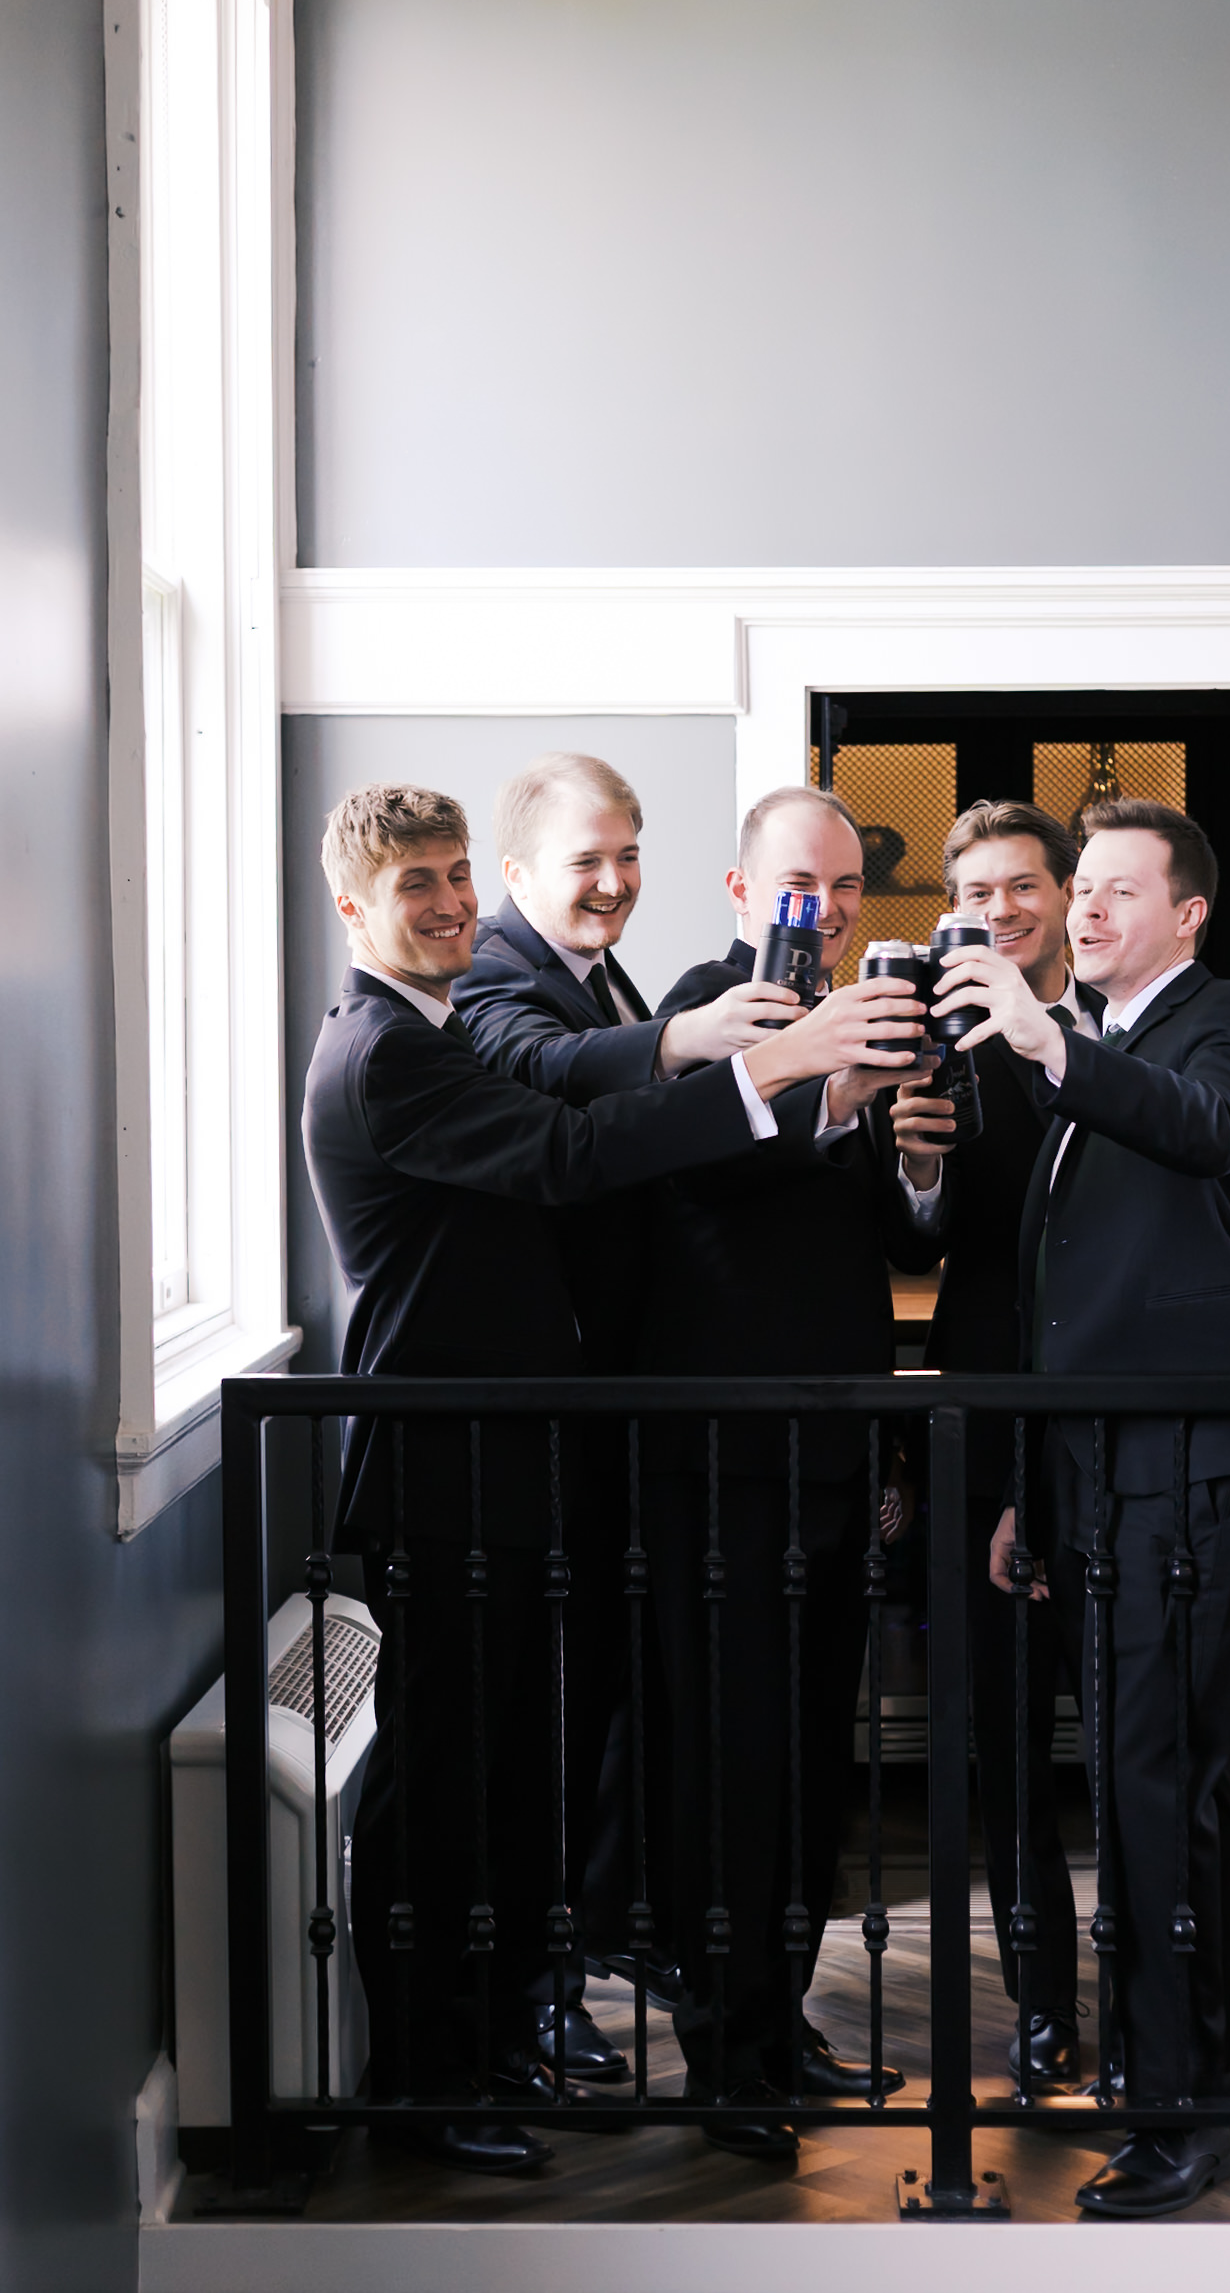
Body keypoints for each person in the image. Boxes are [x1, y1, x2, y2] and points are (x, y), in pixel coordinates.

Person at [302, 782, 921, 2177]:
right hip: (446, 1471)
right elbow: (575, 1154)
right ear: (354, 910)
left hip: (525, 1466)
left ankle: (493, 2047)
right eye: (422, 886)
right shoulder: (385, 1051)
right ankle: (420, 2082)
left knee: (516, 1783)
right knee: (443, 1794)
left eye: (458, 875)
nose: (454, 902)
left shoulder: (447, 1026)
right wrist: (765, 1072)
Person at [929, 797, 1230, 2220]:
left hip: (1197, 1459)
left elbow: (1213, 1137)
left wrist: (1048, 1046)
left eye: (1111, 891)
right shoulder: (1093, 1051)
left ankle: (1177, 2110)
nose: (1082, 911)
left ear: (1188, 912)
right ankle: (1173, 2070)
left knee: (1165, 1788)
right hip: (1095, 1467)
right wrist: (1033, 1486)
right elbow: (1051, 1300)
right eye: (1076, 891)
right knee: (1145, 1785)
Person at [456, 750, 791, 2052]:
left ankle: (592, 1947)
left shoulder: (602, 972)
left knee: (597, 1710)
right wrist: (688, 1043)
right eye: (585, 860)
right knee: (538, 1725)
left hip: (608, 1408)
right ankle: (533, 1994)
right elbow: (533, 1068)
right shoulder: (495, 972)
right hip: (528, 1419)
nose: (611, 882)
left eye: (627, 854)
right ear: (517, 871)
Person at [635, 783, 934, 2161]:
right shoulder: (695, 1019)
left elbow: (885, 1240)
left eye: (841, 889)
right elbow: (703, 1191)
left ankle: (784, 2022)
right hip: (721, 1473)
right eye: (793, 885)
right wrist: (827, 1100)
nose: (818, 911)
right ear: (743, 891)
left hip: (832, 1457)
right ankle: (722, 2061)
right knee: (731, 1770)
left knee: (818, 1762)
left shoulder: (862, 1020)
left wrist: (912, 1155)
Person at [889, 799, 1094, 2089]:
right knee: (1008, 1739)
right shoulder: (940, 1049)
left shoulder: (1124, 1034)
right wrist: (911, 1172)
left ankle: (1174, 1989)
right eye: (979, 894)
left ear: (1069, 894)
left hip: (1116, 1427)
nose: (1003, 911)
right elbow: (916, 1249)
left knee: (1146, 1727)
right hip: (983, 1431)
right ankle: (1041, 2007)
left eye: (1025, 885)